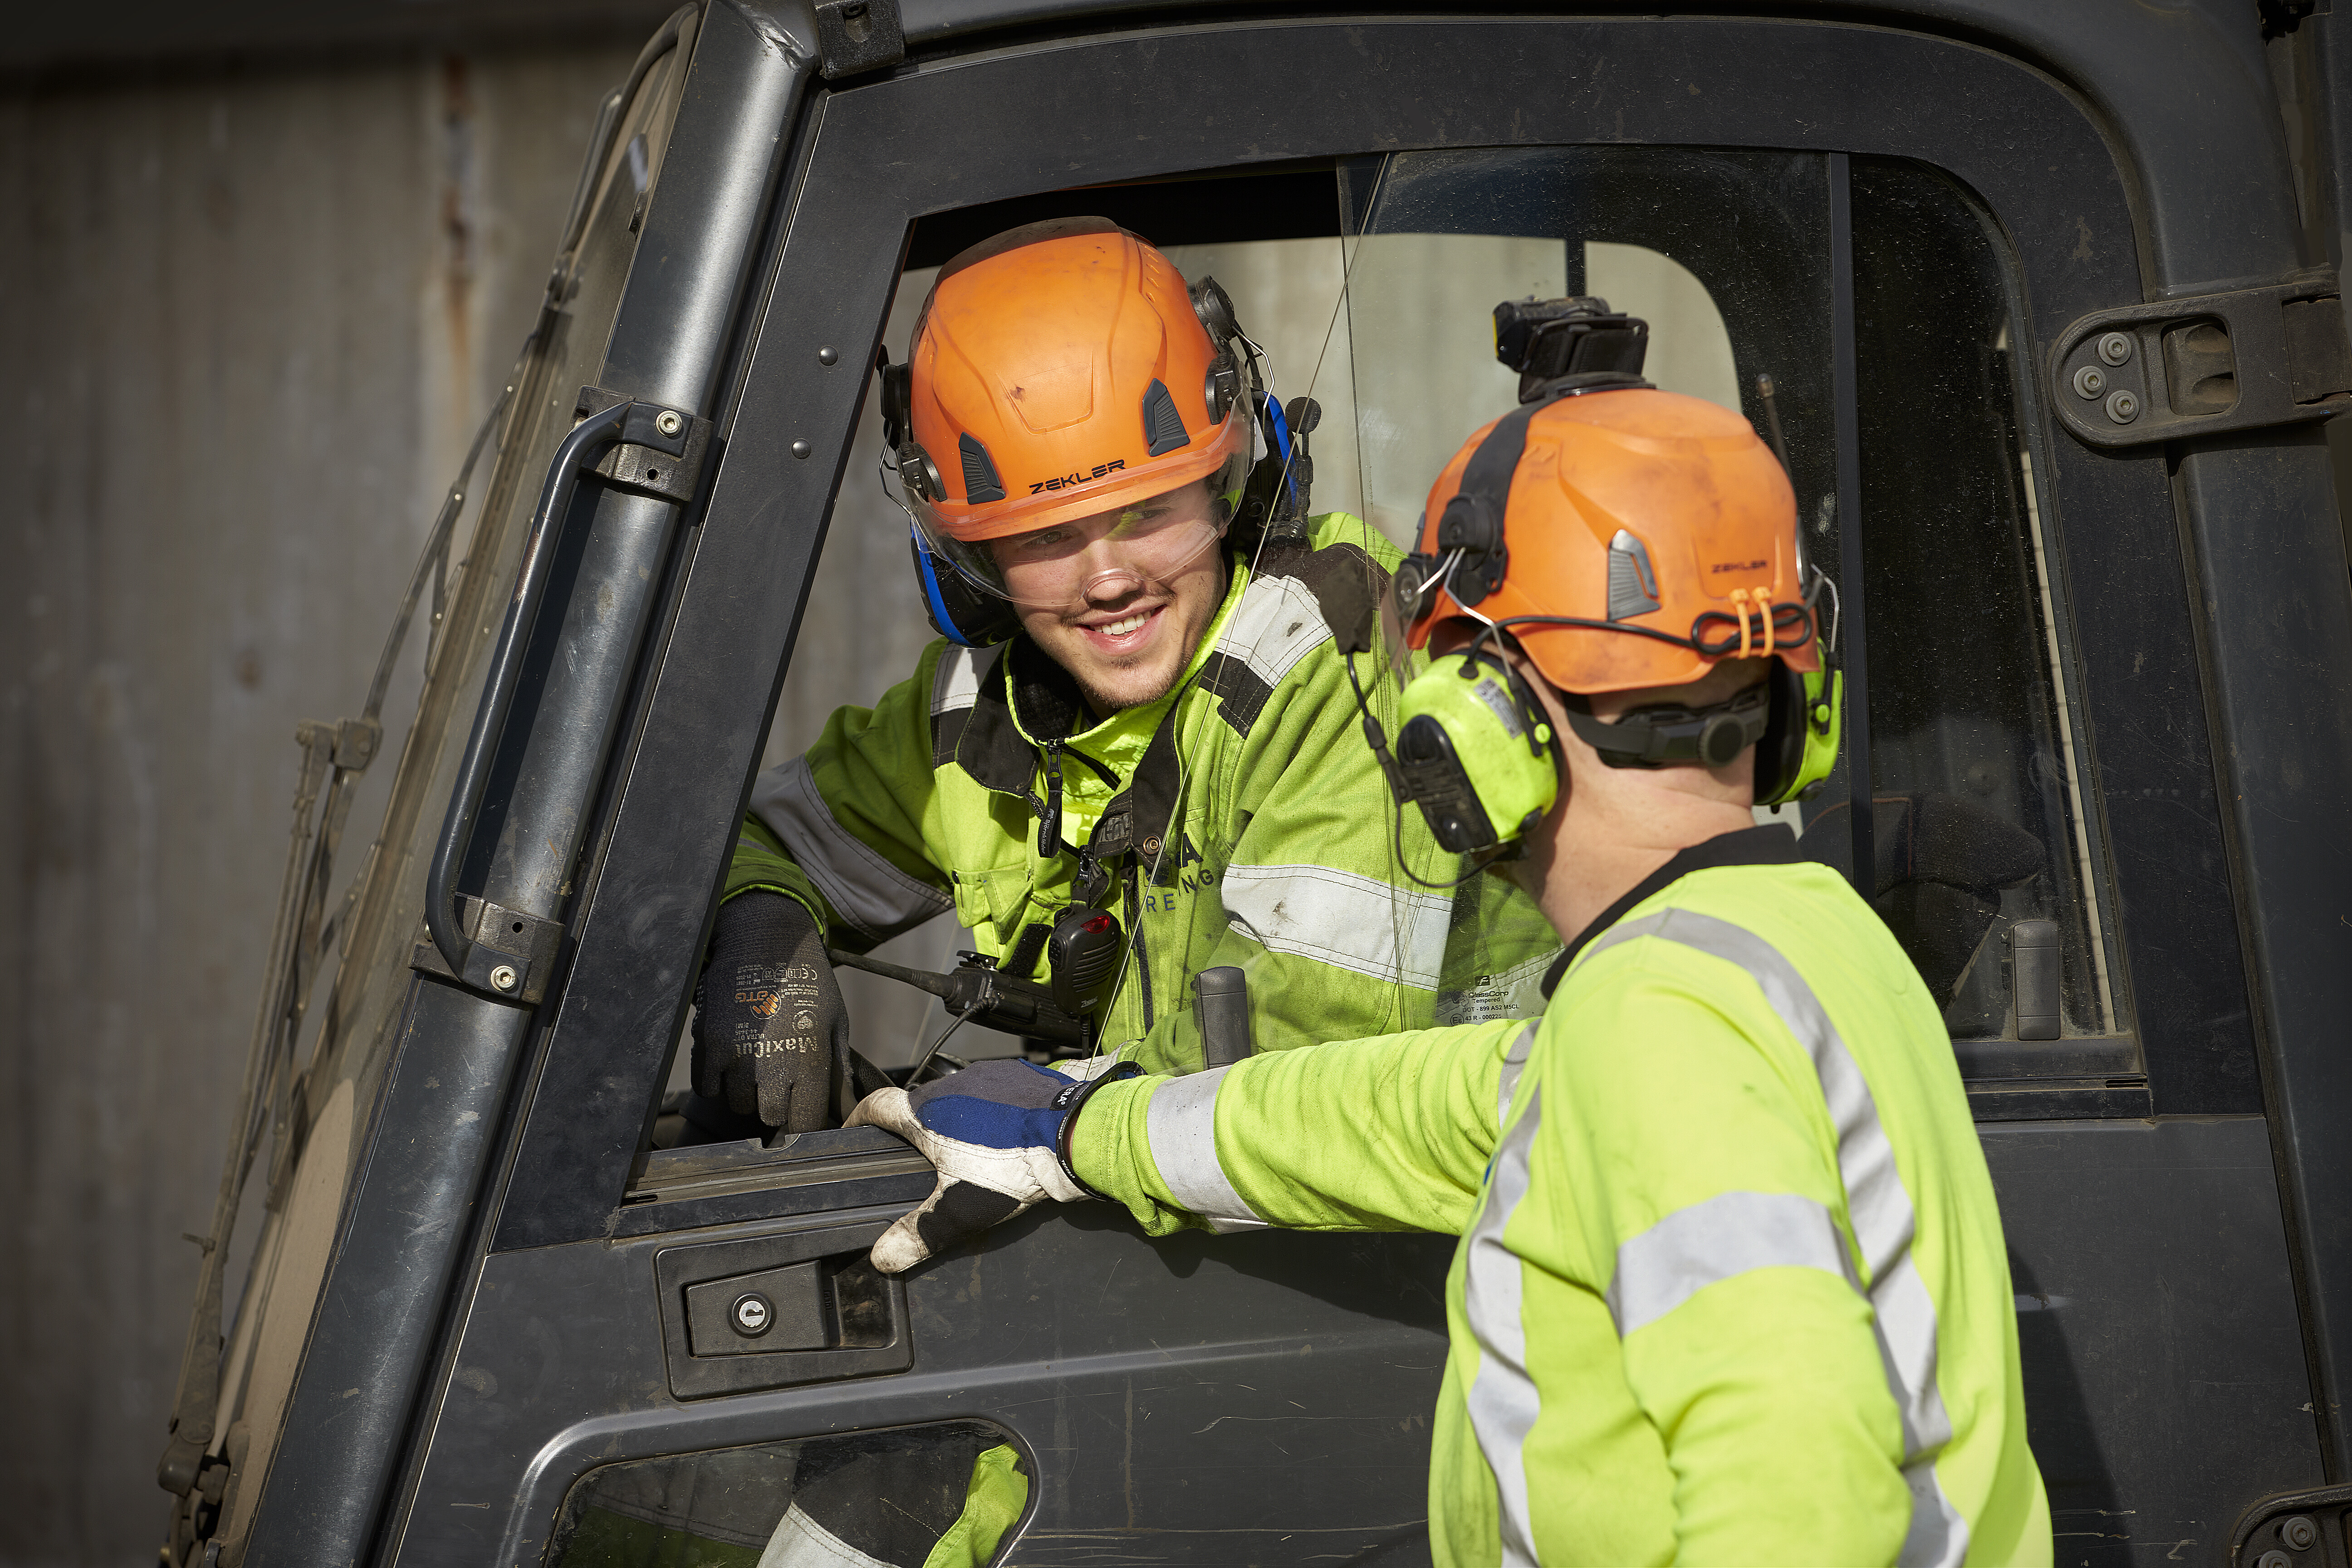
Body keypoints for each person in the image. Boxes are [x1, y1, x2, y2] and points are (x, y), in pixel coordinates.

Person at [850, 304, 2052, 1564]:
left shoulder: (1665, 1021)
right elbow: (1444, 1106)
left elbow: (1802, 1496)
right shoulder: (1785, 945)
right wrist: (1080, 1130)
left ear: (1470, 722)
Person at [683, 216, 1553, 1142]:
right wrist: (765, 933)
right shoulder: (978, 717)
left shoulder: (1329, 654)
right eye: (1045, 538)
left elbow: (1303, 1071)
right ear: (964, 559)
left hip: (1426, 1226)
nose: (1107, 582)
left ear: (1232, 476)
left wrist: (1041, 1128)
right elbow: (747, 846)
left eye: (1149, 514)